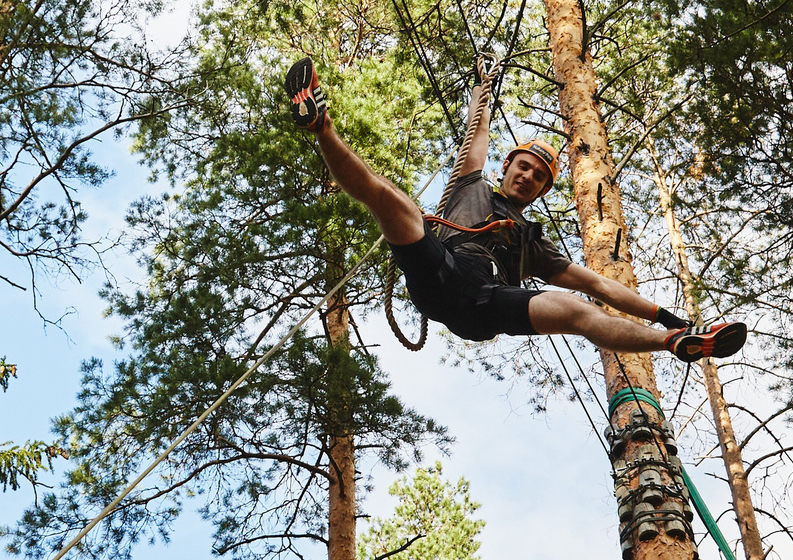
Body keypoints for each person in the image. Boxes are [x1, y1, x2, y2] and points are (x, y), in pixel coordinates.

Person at [284, 56, 746, 360]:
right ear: (508, 166)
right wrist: (483, 90)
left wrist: (662, 315)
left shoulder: (533, 243)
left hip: (487, 302)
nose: (528, 176)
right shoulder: (470, 186)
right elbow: (476, 132)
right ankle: (320, 124)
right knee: (393, 201)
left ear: (543, 190)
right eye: (523, 167)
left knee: (577, 308)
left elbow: (597, 283)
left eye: (539, 177)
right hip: (442, 268)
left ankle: (680, 341)